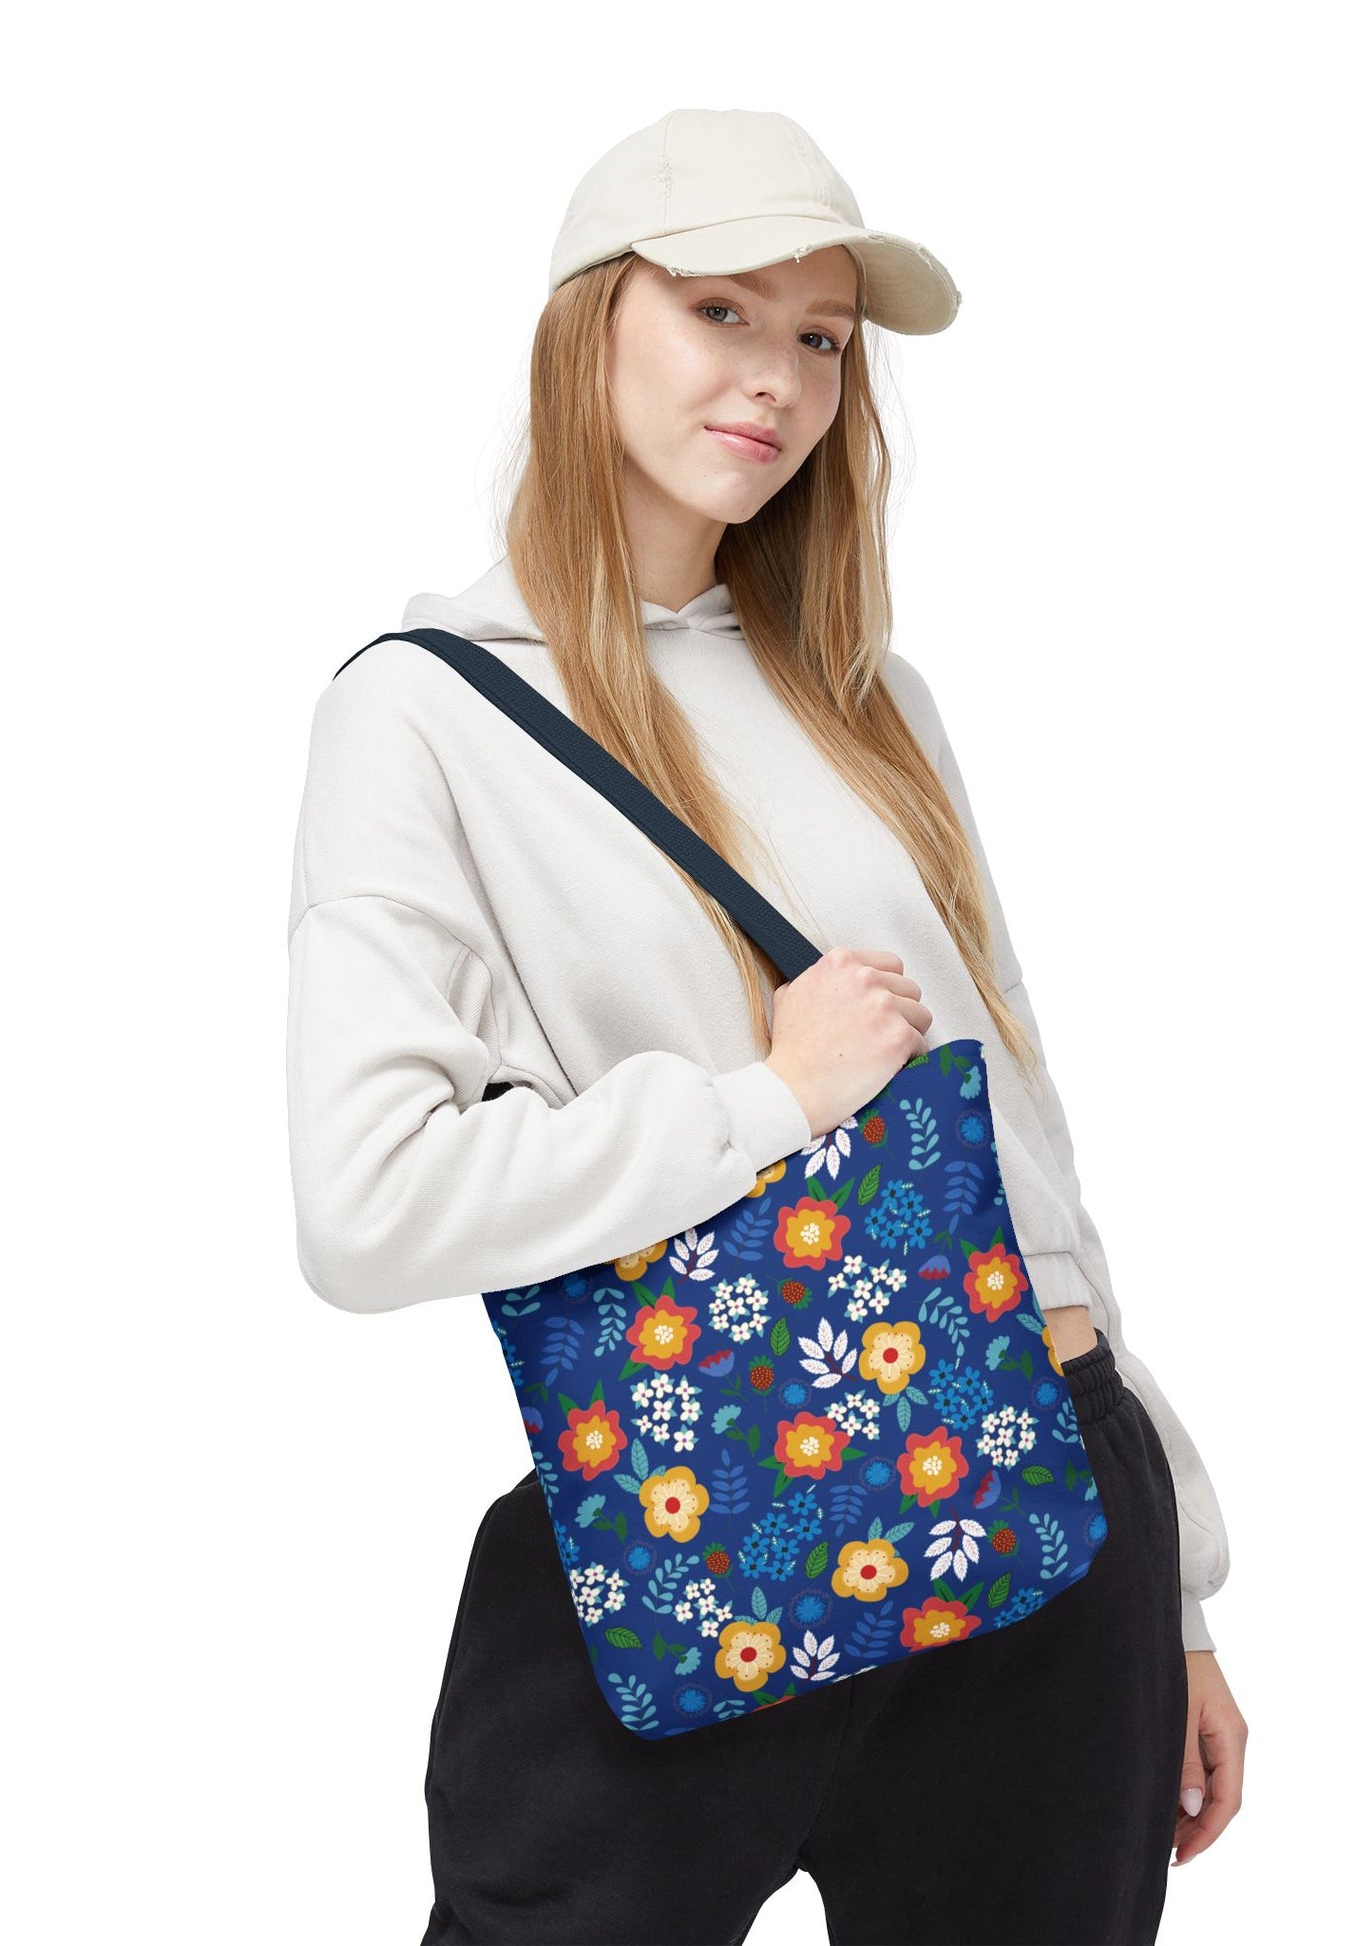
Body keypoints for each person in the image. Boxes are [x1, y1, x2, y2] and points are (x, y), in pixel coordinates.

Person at [286, 107, 1246, 1946]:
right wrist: (766, 1098)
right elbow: (366, 1202)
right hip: (689, 1513)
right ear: (592, 324)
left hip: (1045, 1505)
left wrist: (1180, 1586)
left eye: (818, 338)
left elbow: (1018, 1144)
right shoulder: (430, 716)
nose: (779, 380)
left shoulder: (868, 695)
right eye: (722, 308)